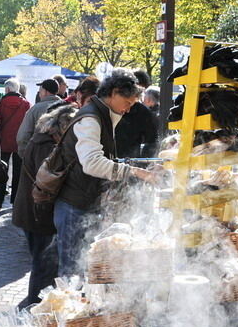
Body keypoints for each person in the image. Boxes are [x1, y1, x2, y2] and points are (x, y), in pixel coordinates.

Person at [53, 68, 161, 276]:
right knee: (72, 270)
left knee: (83, 267)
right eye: (128, 102)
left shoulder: (103, 114)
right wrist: (135, 172)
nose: (129, 109)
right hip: (74, 202)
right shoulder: (92, 118)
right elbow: (92, 163)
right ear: (114, 92)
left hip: (85, 200)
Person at [13, 101, 74, 309]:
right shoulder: (45, 145)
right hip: (36, 213)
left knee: (43, 263)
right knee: (43, 265)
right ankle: (35, 308)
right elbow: (48, 181)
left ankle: (36, 306)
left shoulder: (43, 140)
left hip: (34, 211)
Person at [0, 77, 31, 209]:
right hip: (20, 142)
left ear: (8, 89)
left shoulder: (2, 103)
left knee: (3, 171)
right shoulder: (26, 104)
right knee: (18, 172)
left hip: (4, 142)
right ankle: (15, 201)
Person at [113, 69, 159, 158]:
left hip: (130, 162)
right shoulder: (110, 107)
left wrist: (143, 163)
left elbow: (152, 140)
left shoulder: (143, 112)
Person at [16, 78, 62, 155]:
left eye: (40, 90)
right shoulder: (67, 107)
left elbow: (23, 136)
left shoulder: (35, 109)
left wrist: (26, 155)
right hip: (61, 157)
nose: (39, 93)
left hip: (39, 156)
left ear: (45, 92)